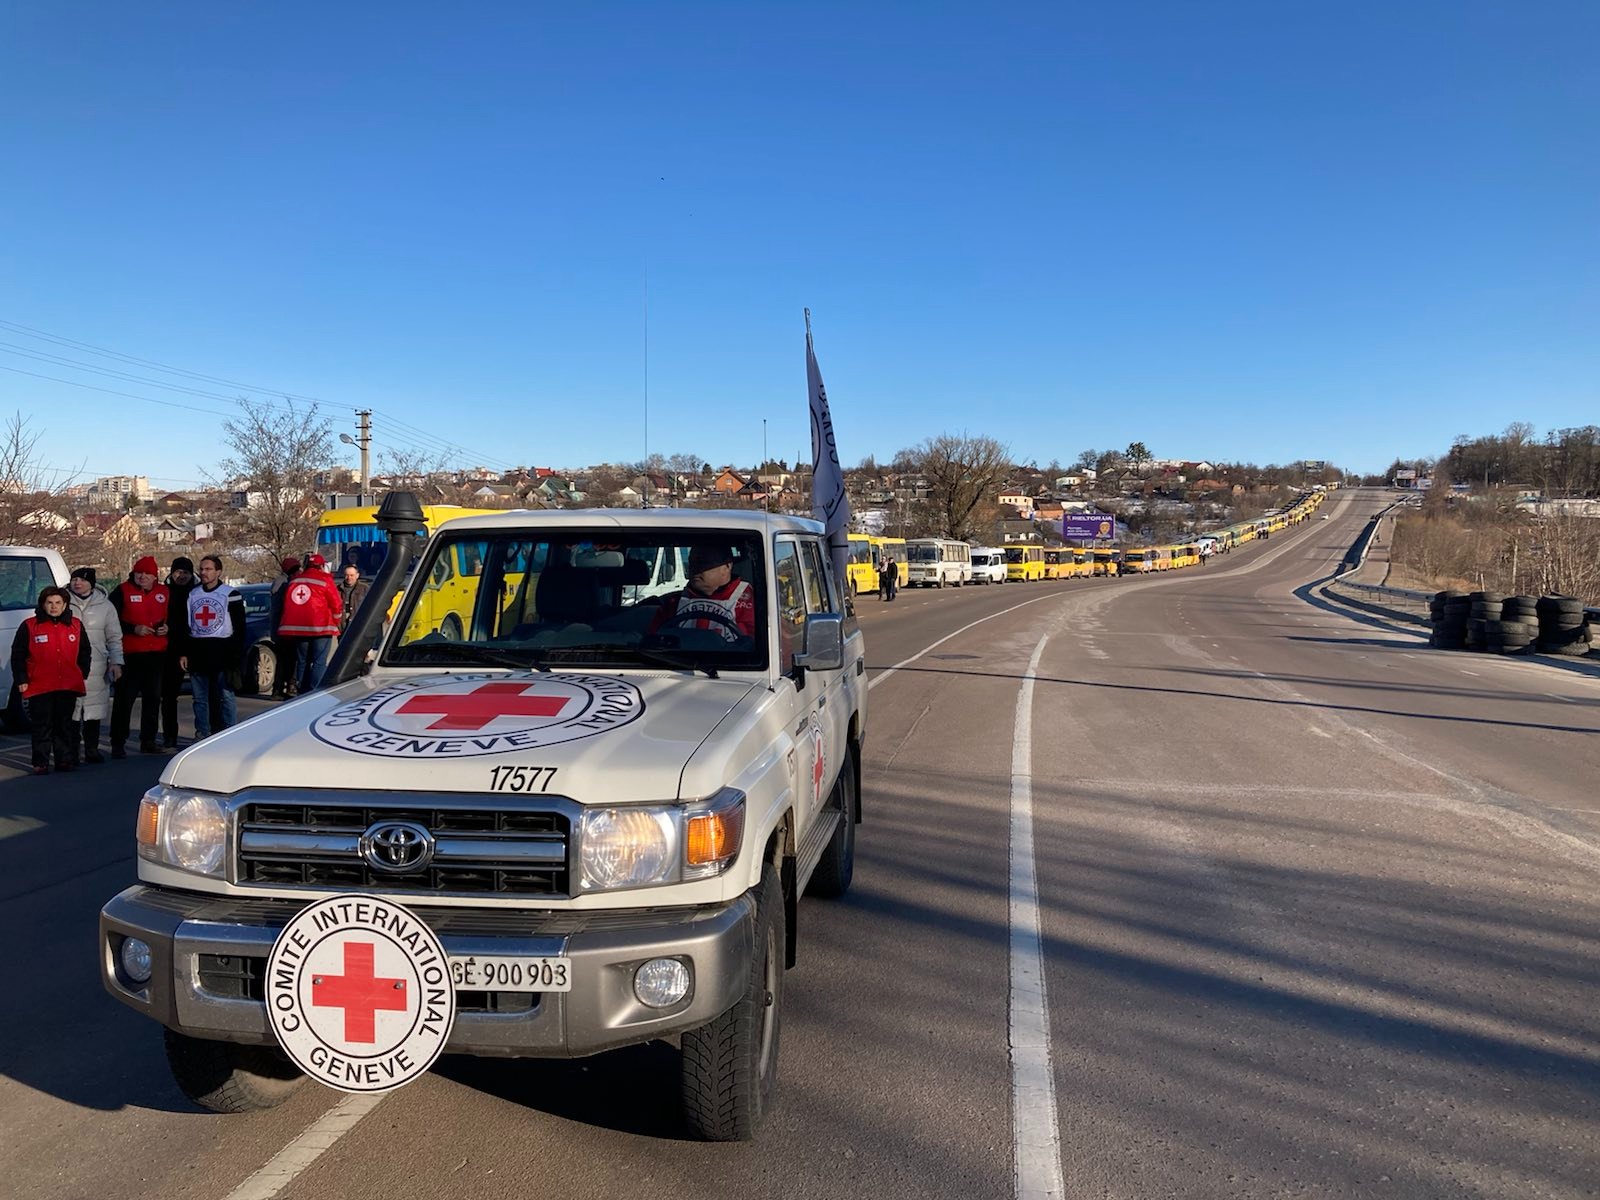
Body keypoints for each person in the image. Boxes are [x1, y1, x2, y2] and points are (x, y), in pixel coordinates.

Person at [11, 586, 91, 774]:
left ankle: (64, 759)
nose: (54, 607)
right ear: (43, 604)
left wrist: (82, 672)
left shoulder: (76, 625)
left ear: (65, 605)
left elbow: (85, 652)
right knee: (42, 725)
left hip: (67, 684)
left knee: (64, 724)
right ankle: (41, 762)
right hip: (40, 685)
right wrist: (21, 678)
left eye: (58, 603)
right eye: (49, 603)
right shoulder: (30, 625)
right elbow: (18, 654)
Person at [176, 554, 247, 740]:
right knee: (200, 699)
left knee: (225, 696)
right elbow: (187, 625)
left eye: (208, 569)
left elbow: (240, 627)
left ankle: (229, 732)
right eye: (201, 569)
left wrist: (235, 655)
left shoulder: (230, 594)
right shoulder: (193, 594)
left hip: (222, 650)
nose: (203, 573)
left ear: (218, 572)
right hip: (198, 651)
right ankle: (202, 732)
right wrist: (184, 652)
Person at [109, 555, 171, 757]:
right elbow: (111, 620)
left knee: (153, 699)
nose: (143, 577)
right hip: (131, 652)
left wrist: (166, 629)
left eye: (147, 573)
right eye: (139, 573)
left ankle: (148, 740)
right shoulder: (122, 591)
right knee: (124, 700)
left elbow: (173, 617)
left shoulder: (164, 592)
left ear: (155, 576)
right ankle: (118, 742)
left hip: (156, 652)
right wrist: (133, 628)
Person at [67, 567, 122, 763]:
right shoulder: (62, 602)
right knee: (71, 710)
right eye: (74, 579)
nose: (77, 583)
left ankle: (91, 749)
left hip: (97, 665)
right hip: (69, 664)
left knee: (94, 709)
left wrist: (116, 661)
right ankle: (71, 751)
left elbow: (114, 637)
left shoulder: (105, 606)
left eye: (82, 580)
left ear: (91, 582)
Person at [647, 545, 756, 642]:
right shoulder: (673, 604)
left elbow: (758, 646)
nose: (694, 568)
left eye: (702, 562)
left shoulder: (752, 604)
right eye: (691, 562)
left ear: (727, 566)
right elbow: (653, 643)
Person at [277, 553, 343, 693]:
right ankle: (316, 691)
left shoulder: (295, 581)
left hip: (298, 629)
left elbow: (287, 604)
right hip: (321, 627)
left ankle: (302, 690)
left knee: (302, 661)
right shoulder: (325, 579)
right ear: (321, 566)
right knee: (319, 661)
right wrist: (336, 620)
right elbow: (336, 603)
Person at [159, 556, 195, 749]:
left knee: (202, 696)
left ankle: (204, 734)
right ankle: (169, 735)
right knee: (168, 696)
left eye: (186, 573)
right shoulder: (164, 593)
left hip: (191, 649)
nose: (181, 576)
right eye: (178, 572)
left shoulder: (196, 593)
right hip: (167, 650)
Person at [269, 556, 300, 698]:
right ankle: (289, 687)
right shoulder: (287, 583)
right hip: (288, 628)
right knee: (290, 660)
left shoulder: (278, 582)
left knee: (282, 661)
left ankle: (278, 689)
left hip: (279, 628)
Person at [337, 563, 369, 636]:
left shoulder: (365, 589)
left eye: (352, 575)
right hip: (342, 629)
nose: (349, 578)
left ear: (357, 575)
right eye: (346, 575)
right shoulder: (337, 590)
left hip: (359, 627)